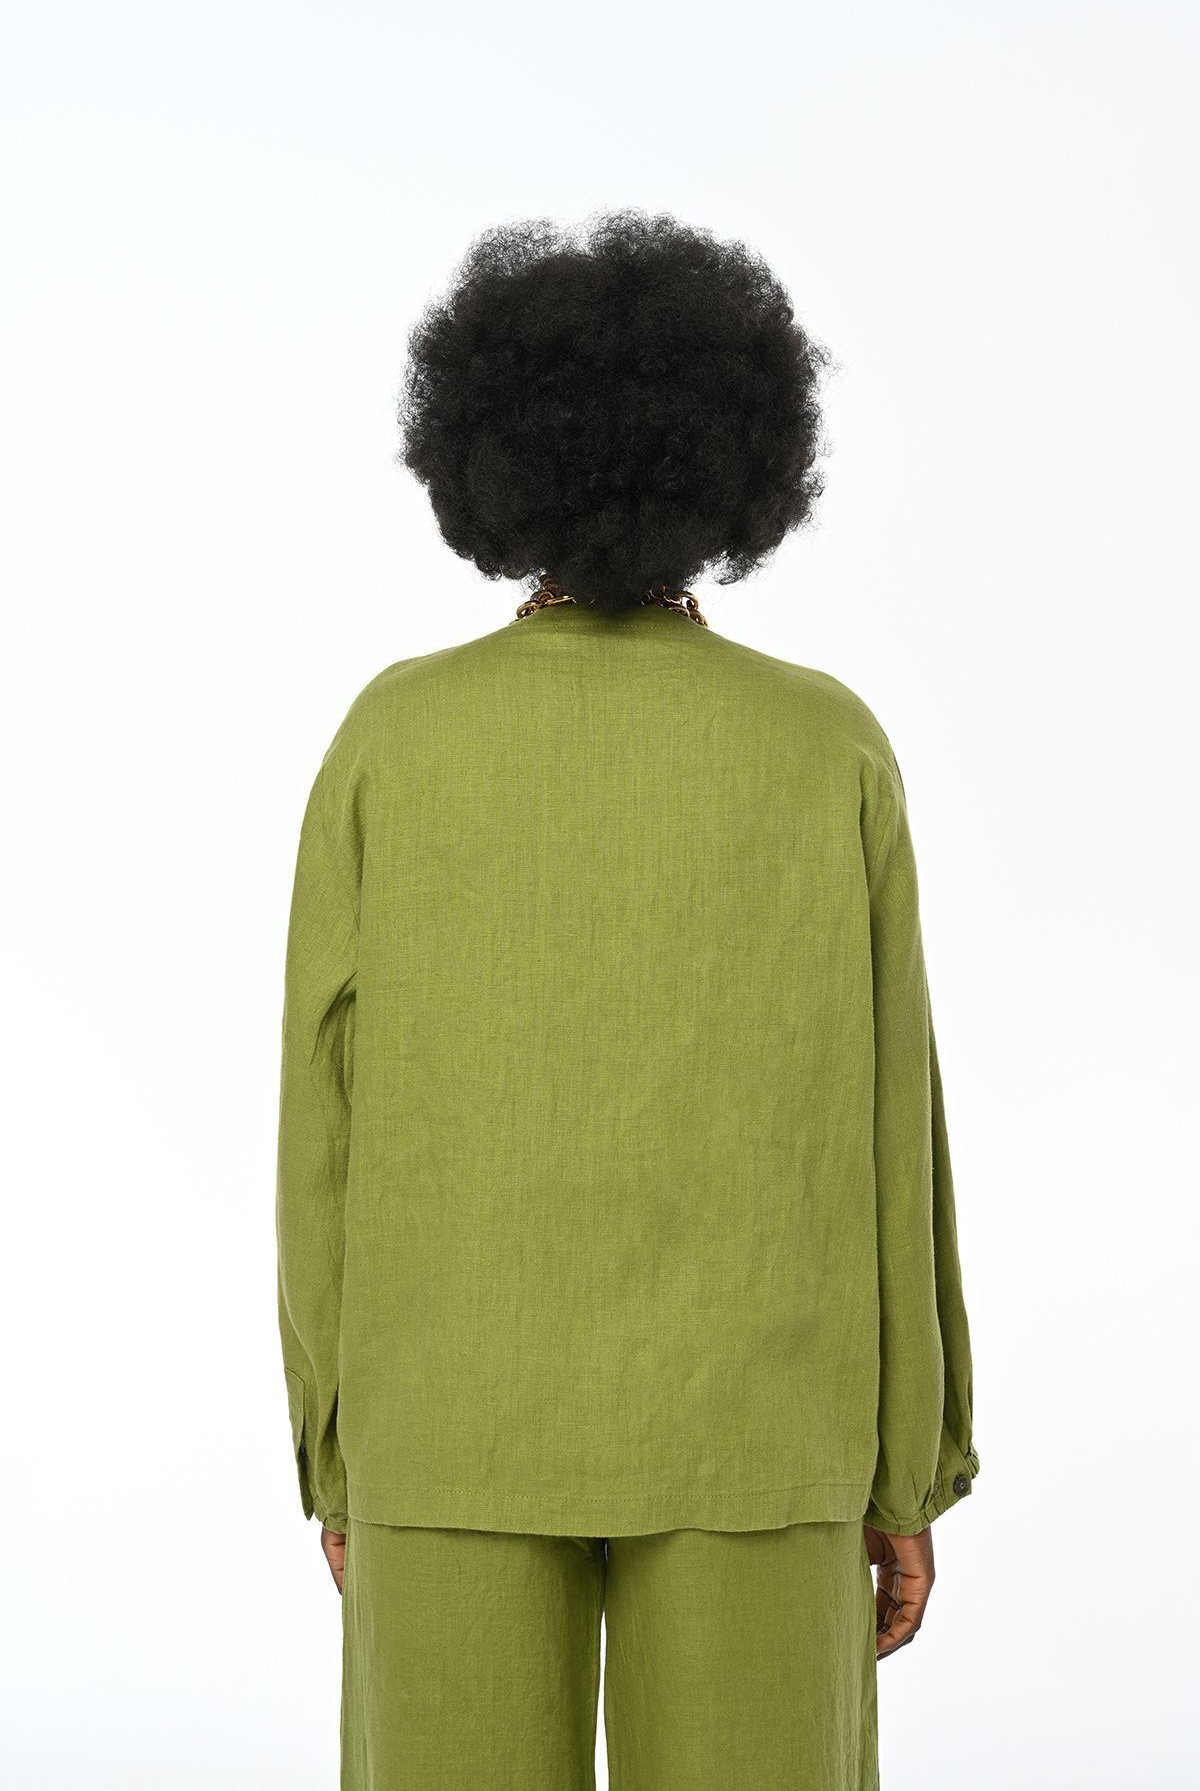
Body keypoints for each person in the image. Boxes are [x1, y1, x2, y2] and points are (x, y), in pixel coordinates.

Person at [275, 208, 978, 1791]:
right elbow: (894, 1126)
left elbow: (320, 1121)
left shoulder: (395, 737)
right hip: (764, 1428)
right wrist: (906, 1470)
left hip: (446, 1420)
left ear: (487, 457)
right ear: (738, 466)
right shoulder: (825, 745)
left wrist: (336, 1448)